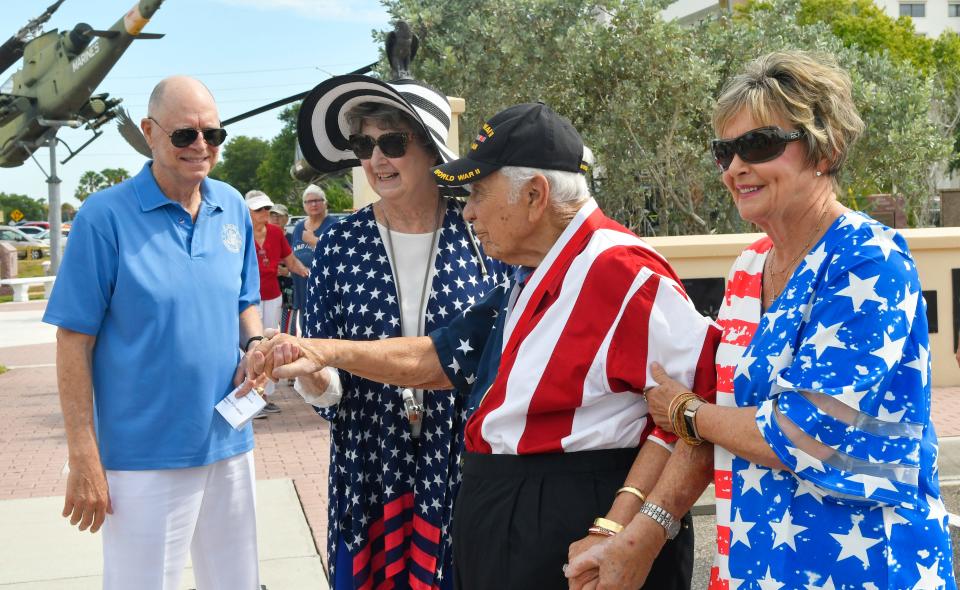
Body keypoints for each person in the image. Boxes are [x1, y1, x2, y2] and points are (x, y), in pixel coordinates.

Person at [248, 102, 720, 590]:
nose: (468, 210)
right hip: (518, 517)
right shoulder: (529, 274)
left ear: (535, 196)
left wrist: (631, 529)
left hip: (573, 517)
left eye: (478, 192)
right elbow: (435, 357)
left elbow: (697, 415)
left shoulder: (621, 273)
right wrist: (325, 351)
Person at [569, 50, 957, 589]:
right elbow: (726, 419)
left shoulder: (869, 259)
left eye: (759, 145)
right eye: (724, 151)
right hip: (758, 562)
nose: (735, 168)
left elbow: (804, 431)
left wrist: (686, 410)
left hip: (865, 567)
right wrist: (632, 534)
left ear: (827, 150)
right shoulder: (749, 266)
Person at [287, 75, 509, 590]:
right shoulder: (341, 242)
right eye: (364, 145)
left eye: (392, 142)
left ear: (432, 150)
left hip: (460, 459)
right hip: (368, 460)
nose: (376, 159)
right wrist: (312, 378)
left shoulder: (480, 232)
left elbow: (502, 356)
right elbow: (326, 378)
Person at [42, 76, 265, 589]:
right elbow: (73, 340)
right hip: (141, 459)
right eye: (184, 135)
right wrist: (83, 455)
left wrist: (254, 344)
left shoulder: (231, 204)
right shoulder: (105, 216)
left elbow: (244, 301)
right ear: (149, 131)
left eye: (213, 134)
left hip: (229, 443)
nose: (201, 147)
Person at [247, 189, 309, 408]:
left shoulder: (275, 232)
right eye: (258, 209)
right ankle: (247, 392)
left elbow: (291, 261)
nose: (264, 212)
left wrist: (309, 273)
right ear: (248, 211)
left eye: (267, 208)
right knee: (249, 343)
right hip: (247, 298)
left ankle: (264, 395)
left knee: (268, 342)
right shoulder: (240, 231)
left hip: (272, 294)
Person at [287, 184, 339, 335]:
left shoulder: (334, 225)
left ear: (325, 202)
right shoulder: (298, 227)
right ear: (304, 205)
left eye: (317, 200)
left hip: (326, 292)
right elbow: (293, 255)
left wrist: (314, 241)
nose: (314, 204)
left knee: (326, 333)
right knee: (305, 330)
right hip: (303, 290)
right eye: (309, 201)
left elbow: (339, 256)